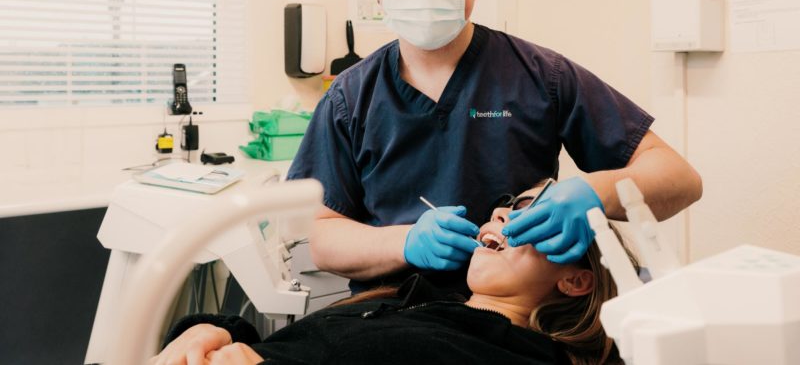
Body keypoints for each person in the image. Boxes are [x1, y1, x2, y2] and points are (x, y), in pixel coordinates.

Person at [287, 0, 702, 295]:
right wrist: (405, 242)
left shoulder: (540, 76)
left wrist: (599, 192)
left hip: (514, 317)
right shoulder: (349, 97)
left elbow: (680, 179)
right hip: (392, 315)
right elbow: (322, 237)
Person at [151, 183, 636, 365]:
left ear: (576, 280)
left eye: (535, 220)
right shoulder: (415, 300)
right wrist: (213, 329)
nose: (503, 216)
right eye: (508, 208)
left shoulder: (503, 354)